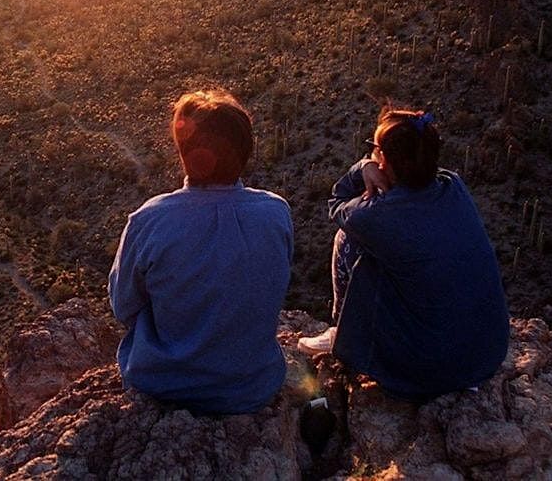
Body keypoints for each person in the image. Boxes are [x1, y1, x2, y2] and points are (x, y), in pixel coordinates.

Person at [298, 107, 509, 402]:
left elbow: (337, 202)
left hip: (424, 371)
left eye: (373, 150)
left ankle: (341, 333)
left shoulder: (376, 215)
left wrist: (361, 169)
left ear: (383, 160)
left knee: (347, 238)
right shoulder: (454, 186)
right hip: (486, 355)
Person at [108, 89, 294, 414]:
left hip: (164, 385)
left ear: (184, 154)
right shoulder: (277, 212)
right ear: (246, 151)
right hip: (253, 385)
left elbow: (124, 306)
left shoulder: (150, 220)